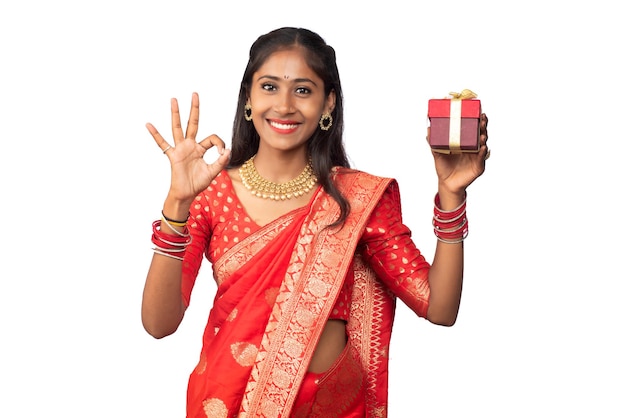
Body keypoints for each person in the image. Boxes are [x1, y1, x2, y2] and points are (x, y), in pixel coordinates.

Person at [141, 26, 489, 418]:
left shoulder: (355, 200)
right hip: (228, 404)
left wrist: (451, 196)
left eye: (303, 90)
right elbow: (159, 322)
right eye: (269, 87)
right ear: (248, 99)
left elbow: (440, 307)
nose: (285, 105)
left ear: (328, 104)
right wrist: (177, 203)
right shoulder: (212, 194)